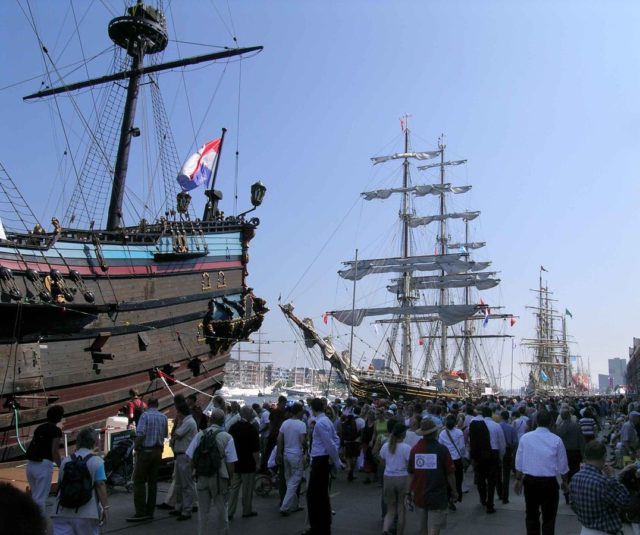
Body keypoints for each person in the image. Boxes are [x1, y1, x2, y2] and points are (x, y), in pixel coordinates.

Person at [514, 409, 569, 535]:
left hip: (530, 482)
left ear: (536, 421)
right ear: (551, 422)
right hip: (549, 483)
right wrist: (565, 481)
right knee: (549, 518)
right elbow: (563, 465)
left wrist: (518, 479)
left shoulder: (525, 438)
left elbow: (519, 461)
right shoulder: (556, 440)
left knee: (531, 515)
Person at [186, 408, 237, 535]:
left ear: (210, 419)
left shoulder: (200, 434)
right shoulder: (227, 437)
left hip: (202, 476)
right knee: (222, 511)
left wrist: (193, 471)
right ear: (223, 421)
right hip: (219, 478)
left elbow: (190, 455)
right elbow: (231, 463)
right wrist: (230, 479)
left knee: (203, 513)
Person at [51, 428, 109, 535]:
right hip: (87, 513)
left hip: (62, 511)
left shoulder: (65, 461)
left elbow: (60, 485)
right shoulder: (97, 462)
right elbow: (100, 485)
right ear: (95, 442)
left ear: (78, 442)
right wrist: (105, 507)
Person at [570, 440, 633, 535]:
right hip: (604, 531)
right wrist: (612, 477)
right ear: (604, 457)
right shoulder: (603, 482)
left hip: (585, 530)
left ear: (586, 456)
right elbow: (625, 501)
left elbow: (573, 504)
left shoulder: (575, 478)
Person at [408, 418, 457, 535]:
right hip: (437, 494)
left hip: (419, 493)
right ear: (435, 433)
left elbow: (411, 473)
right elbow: (450, 473)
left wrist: (408, 492)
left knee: (422, 527)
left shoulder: (415, 449)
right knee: (434, 527)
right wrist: (454, 491)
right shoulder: (442, 449)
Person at [306, 397, 344, 535]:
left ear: (313, 408)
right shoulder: (327, 421)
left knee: (314, 496)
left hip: (319, 460)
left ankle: (317, 527)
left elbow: (329, 444)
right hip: (322, 460)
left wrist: (337, 461)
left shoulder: (320, 424)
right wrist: (334, 457)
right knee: (321, 495)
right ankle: (322, 526)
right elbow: (335, 440)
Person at [127, 397, 168, 522]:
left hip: (146, 451)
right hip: (158, 451)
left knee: (139, 481)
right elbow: (165, 434)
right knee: (152, 482)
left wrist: (136, 447)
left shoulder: (145, 416)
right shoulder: (164, 417)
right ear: (157, 404)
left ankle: (140, 511)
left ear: (148, 405)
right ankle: (150, 511)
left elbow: (141, 434)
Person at [25, 404, 64, 513]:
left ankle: (32, 521)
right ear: (59, 417)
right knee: (40, 498)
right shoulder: (56, 431)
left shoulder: (39, 428)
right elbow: (54, 451)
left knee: (35, 495)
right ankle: (39, 525)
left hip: (31, 464)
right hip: (44, 465)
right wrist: (62, 466)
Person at [228, 405, 260, 520]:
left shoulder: (233, 428)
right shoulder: (252, 429)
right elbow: (255, 450)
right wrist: (257, 463)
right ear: (249, 414)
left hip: (236, 463)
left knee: (234, 489)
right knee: (247, 489)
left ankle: (230, 511)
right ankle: (247, 510)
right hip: (248, 464)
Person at [379, 423, 411, 535]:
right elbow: (409, 465)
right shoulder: (407, 448)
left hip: (388, 477)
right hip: (402, 477)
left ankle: (385, 530)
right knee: (401, 509)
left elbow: (382, 462)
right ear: (404, 435)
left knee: (390, 509)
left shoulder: (385, 446)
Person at [469, 405, 501, 514]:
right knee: (492, 480)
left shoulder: (475, 424)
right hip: (493, 454)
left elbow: (471, 440)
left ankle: (483, 499)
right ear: (491, 414)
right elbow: (502, 443)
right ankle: (490, 503)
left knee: (480, 478)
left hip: (479, 455)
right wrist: (501, 456)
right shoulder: (496, 426)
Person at [278, 402, 307, 515]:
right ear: (299, 411)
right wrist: (306, 450)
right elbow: (303, 441)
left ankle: (294, 505)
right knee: (294, 481)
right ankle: (284, 507)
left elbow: (279, 438)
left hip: (286, 454)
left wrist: (279, 453)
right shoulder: (301, 424)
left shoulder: (285, 423)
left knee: (289, 480)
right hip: (296, 455)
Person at [170, 401, 198, 521]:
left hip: (185, 455)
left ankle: (187, 509)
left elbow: (177, 434)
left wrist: (178, 423)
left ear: (181, 412)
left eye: (178, 412)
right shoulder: (187, 421)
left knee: (186, 484)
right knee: (180, 483)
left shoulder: (188, 422)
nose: (177, 414)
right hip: (181, 455)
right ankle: (180, 506)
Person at [555, 406, 585, 504]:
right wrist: (583, 455)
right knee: (575, 473)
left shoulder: (559, 428)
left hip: (564, 453)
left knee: (565, 474)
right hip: (575, 453)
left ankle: (566, 493)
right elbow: (581, 442)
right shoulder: (576, 426)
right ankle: (573, 494)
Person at [438, 414, 466, 509]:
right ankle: (455, 496)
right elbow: (462, 447)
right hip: (457, 458)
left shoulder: (442, 433)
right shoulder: (459, 432)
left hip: (446, 459)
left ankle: (448, 496)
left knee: (447, 479)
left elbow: (440, 446)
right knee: (458, 479)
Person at [499, 410, 518, 504]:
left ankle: (499, 493)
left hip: (497, 451)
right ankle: (505, 497)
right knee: (506, 474)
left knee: (497, 473)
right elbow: (515, 442)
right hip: (507, 450)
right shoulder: (511, 428)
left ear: (501, 417)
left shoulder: (497, 426)